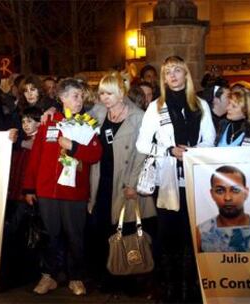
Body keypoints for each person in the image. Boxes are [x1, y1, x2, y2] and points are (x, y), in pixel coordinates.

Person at [136, 55, 215, 303]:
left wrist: (194, 153)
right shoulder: (156, 107)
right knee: (168, 236)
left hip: (194, 179)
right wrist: (169, 151)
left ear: (186, 75)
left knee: (192, 237)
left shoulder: (200, 105)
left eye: (177, 70)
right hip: (167, 180)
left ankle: (191, 288)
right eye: (167, 72)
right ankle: (167, 288)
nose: (172, 75)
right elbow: (142, 144)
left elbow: (210, 142)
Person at [23, 78, 102, 296]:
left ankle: (76, 277)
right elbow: (36, 156)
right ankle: (48, 276)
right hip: (47, 191)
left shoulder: (88, 123)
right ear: (62, 98)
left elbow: (96, 154)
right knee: (50, 235)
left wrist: (74, 147)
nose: (79, 100)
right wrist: (29, 188)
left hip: (74, 192)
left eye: (81, 96)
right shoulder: (49, 121)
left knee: (75, 236)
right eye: (75, 96)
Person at [87, 72, 157, 294]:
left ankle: (129, 279)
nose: (104, 97)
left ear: (121, 93)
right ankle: (107, 276)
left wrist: (132, 183)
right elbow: (75, 120)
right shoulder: (98, 112)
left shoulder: (138, 117)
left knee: (127, 230)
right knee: (102, 229)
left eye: (109, 93)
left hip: (125, 181)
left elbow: (141, 152)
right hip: (101, 179)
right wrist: (54, 111)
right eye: (101, 93)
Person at [198, 165, 250, 252]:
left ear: (246, 193)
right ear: (212, 194)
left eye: (235, 190)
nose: (227, 198)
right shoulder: (200, 233)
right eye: (220, 191)